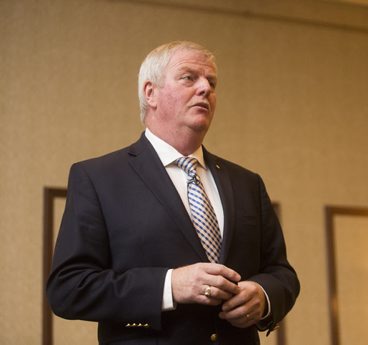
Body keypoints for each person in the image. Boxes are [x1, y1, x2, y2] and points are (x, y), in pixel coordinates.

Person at [46, 40, 300, 345]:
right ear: (150, 93)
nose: (206, 88)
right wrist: (169, 285)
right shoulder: (99, 178)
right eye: (189, 78)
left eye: (212, 82)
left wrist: (263, 295)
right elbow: (69, 288)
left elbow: (281, 273)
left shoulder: (247, 183)